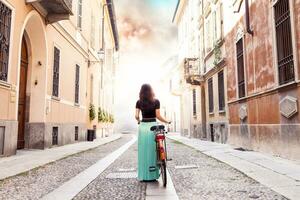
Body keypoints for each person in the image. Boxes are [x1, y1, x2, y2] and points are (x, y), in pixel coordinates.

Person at [135, 84, 170, 181]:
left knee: (143, 151)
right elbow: (158, 116)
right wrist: (167, 121)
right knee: (154, 149)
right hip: (153, 126)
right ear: (151, 91)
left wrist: (138, 120)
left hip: (143, 127)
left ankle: (144, 175)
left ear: (141, 92)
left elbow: (136, 116)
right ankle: (154, 173)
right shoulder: (156, 101)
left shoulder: (139, 102)